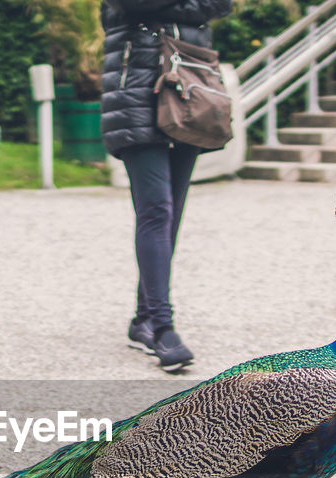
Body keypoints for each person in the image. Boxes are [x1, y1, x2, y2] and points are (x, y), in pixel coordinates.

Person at [100, 0, 232, 372]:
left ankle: (143, 319)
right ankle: (161, 325)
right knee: (156, 210)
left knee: (172, 212)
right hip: (137, 96)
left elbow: (220, 5)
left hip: (189, 90)